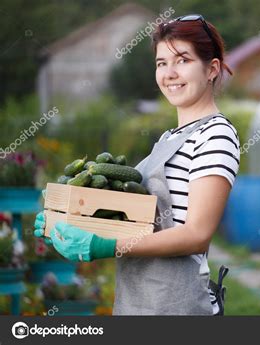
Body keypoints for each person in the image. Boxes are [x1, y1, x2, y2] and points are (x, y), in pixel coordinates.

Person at [33, 14, 239, 316]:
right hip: (138, 303)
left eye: (182, 60)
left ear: (212, 69)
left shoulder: (216, 134)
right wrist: (68, 222)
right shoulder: (168, 138)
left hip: (177, 308)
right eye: (161, 63)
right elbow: (137, 220)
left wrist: (107, 245)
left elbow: (197, 234)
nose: (169, 73)